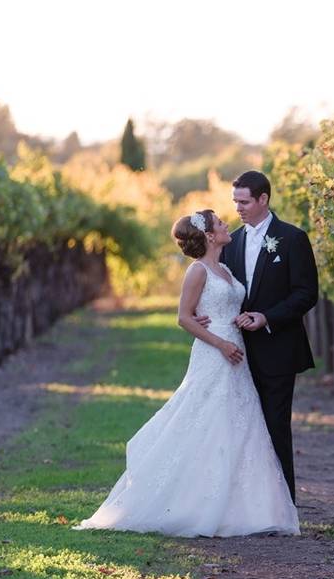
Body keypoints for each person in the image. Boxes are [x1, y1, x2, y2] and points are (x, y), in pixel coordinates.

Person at [73, 209, 300, 537]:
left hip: (236, 350)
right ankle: (197, 503)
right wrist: (220, 343)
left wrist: (240, 320)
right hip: (215, 352)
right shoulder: (197, 271)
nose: (226, 225)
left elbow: (223, 305)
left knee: (240, 422)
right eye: (220, 223)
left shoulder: (223, 268)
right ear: (209, 235)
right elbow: (184, 317)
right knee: (207, 419)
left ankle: (244, 508)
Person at [204, 170, 319, 504]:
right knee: (241, 429)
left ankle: (282, 507)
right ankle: (245, 505)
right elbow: (217, 288)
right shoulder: (231, 242)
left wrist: (267, 317)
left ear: (263, 199)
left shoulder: (293, 238)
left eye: (244, 201)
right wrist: (201, 313)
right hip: (236, 352)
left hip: (278, 348)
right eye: (235, 201)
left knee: (275, 427)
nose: (237, 208)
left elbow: (306, 294)